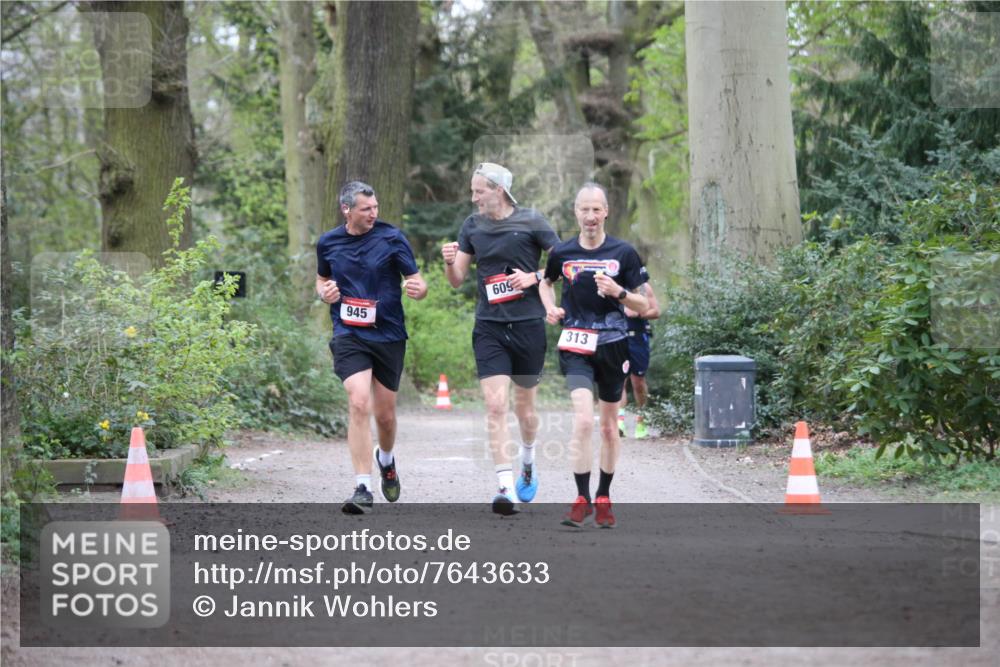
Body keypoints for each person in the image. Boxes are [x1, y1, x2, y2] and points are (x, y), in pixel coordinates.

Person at [441, 162, 560, 515]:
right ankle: (505, 488)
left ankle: (527, 459)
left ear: (499, 190)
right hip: (489, 326)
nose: (473, 197)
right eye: (472, 191)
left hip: (527, 326)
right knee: (495, 406)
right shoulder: (472, 226)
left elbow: (566, 263)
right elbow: (457, 279)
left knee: (525, 409)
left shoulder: (532, 221)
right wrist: (450, 262)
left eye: (479, 191)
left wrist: (534, 277)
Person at [538, 182, 648, 529]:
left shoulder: (624, 253)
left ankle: (603, 496)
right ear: (576, 212)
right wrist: (550, 308)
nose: (589, 216)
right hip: (575, 346)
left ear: (606, 212)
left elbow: (644, 303)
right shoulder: (562, 252)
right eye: (584, 209)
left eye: (596, 209)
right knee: (583, 420)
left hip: (614, 346)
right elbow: (545, 281)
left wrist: (620, 293)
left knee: (608, 427)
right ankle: (581, 498)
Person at [316, 181, 428, 514]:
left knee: (386, 416)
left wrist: (417, 289)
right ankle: (363, 486)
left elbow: (417, 281)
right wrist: (324, 293)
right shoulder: (328, 243)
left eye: (376, 208)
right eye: (366, 209)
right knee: (358, 401)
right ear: (346, 209)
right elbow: (321, 280)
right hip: (349, 333)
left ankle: (387, 460)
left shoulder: (392, 238)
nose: (373, 214)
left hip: (389, 334)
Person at [618, 277, 660, 439]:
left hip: (638, 338)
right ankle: (619, 422)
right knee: (619, 380)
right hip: (617, 337)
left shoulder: (642, 287)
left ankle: (641, 421)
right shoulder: (610, 283)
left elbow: (656, 311)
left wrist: (640, 313)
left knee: (638, 382)